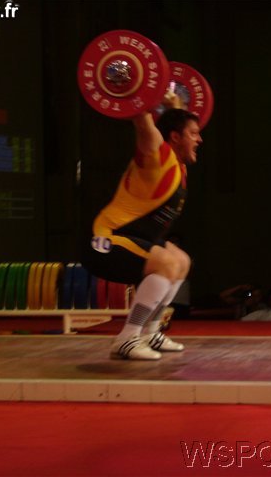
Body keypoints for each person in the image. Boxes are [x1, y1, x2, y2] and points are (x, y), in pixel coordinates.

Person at [82, 92, 203, 360]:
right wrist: (137, 89)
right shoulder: (156, 155)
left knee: (181, 261)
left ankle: (150, 332)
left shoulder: (178, 166)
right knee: (166, 264)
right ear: (175, 137)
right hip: (106, 241)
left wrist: (174, 107)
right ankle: (127, 337)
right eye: (194, 134)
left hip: (134, 239)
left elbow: (170, 123)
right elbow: (142, 120)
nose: (199, 139)